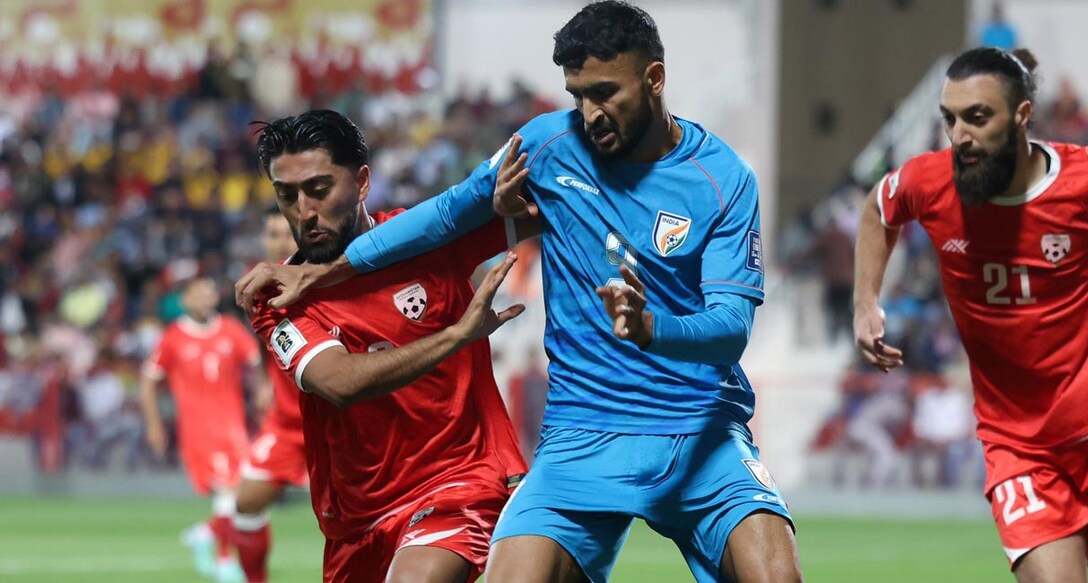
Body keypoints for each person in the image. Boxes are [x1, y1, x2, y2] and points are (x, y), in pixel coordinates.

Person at [236, 3, 801, 582]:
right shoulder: (550, 146)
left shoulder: (724, 179)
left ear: (654, 79)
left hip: (699, 427)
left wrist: (655, 328)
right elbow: (451, 211)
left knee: (777, 576)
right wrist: (326, 273)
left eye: (604, 92)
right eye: (577, 94)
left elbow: (731, 328)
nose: (590, 113)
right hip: (583, 429)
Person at [854, 46, 1088, 582]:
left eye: (977, 118)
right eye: (949, 120)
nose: (959, 137)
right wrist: (865, 303)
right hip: (1019, 449)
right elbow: (879, 209)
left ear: (1021, 117)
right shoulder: (930, 183)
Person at [249, 110, 527, 582]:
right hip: (356, 524)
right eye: (286, 194)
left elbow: (550, 204)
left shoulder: (428, 237)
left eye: (319, 189)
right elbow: (337, 382)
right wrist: (457, 335)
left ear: (361, 183)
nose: (303, 211)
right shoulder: (278, 294)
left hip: (460, 480)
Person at [140, 276, 270, 582]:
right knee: (231, 492)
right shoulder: (173, 337)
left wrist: (264, 389)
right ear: (184, 301)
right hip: (199, 430)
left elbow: (258, 363)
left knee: (245, 494)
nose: (205, 299)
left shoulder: (230, 329)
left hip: (234, 427)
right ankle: (225, 560)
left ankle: (206, 533)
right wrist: (154, 424)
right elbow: (147, 383)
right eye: (197, 294)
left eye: (209, 292)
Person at [234, 207, 304, 583]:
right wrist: (263, 384)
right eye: (273, 233)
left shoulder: (323, 278)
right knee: (245, 502)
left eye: (286, 233)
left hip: (337, 417)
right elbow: (265, 345)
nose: (279, 241)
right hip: (287, 422)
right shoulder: (258, 288)